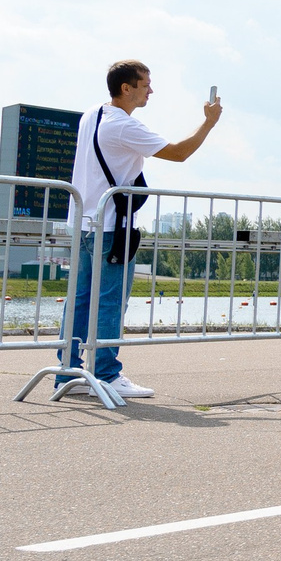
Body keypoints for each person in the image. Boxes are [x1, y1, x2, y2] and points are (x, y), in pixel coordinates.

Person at [59, 61, 220, 398]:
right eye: (145, 84)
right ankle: (105, 374)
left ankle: (68, 373)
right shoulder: (123, 126)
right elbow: (178, 153)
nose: (151, 90)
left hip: (83, 221)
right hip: (110, 226)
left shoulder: (92, 114)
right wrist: (208, 124)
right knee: (110, 301)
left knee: (79, 300)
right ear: (126, 88)